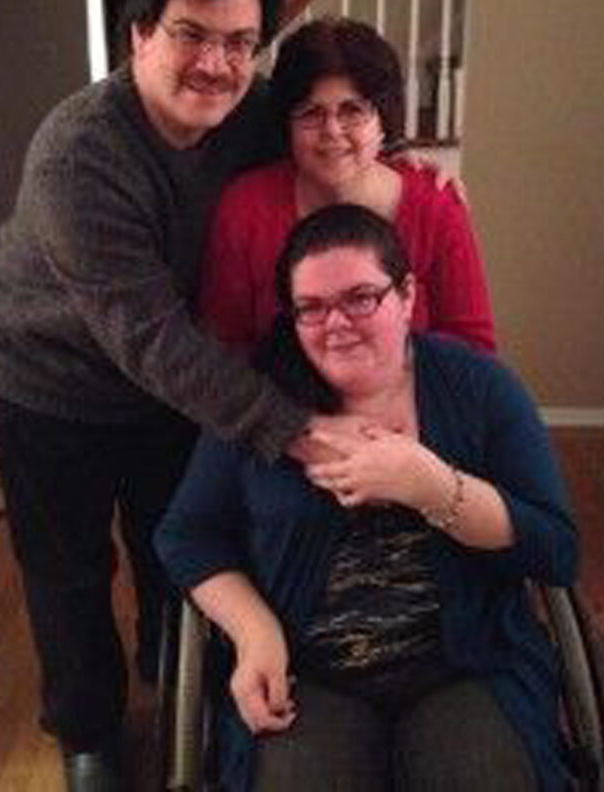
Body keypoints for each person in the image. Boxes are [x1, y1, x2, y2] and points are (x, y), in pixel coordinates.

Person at [0, 0, 359, 792]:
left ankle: (174, 674)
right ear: (140, 32)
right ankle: (87, 732)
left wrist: (409, 179)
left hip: (173, 386)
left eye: (240, 43)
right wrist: (294, 430)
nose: (217, 65)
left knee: (173, 545)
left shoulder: (258, 114)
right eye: (192, 34)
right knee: (68, 571)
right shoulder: (79, 151)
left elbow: (338, 146)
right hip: (49, 382)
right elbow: (146, 335)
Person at [156, 203, 578, 791]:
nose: (335, 323)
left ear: (406, 295)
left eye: (360, 298)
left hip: (467, 665)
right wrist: (254, 632)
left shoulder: (480, 387)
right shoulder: (259, 401)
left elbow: (556, 550)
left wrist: (434, 487)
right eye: (311, 307)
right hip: (307, 671)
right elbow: (187, 535)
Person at [200, 17, 495, 354]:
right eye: (311, 113)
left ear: (383, 121)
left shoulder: (435, 206)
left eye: (352, 110)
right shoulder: (246, 208)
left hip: (413, 387)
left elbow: (474, 348)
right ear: (286, 125)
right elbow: (223, 347)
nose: (332, 131)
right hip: (274, 388)